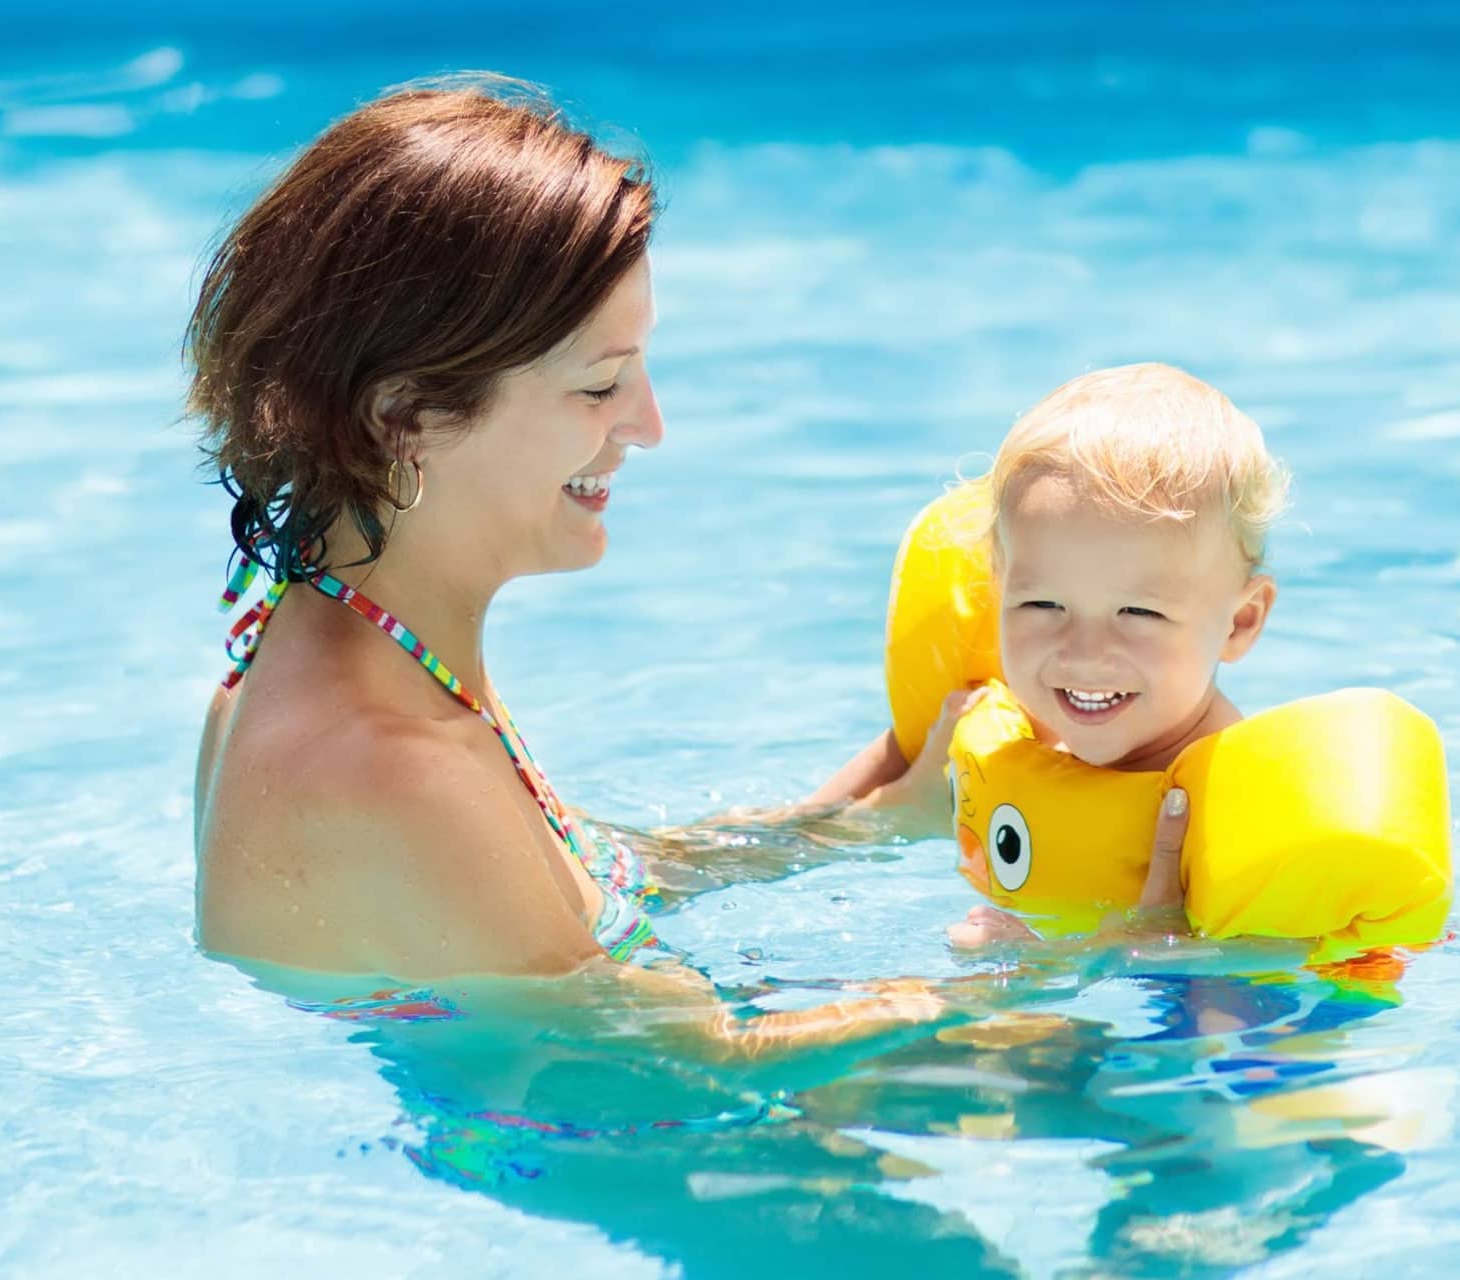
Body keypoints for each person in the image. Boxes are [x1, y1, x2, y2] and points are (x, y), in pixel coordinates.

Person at [187, 76, 961, 1051]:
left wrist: (871, 813)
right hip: (567, 1141)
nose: (648, 426)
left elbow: (586, 873)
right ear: (403, 417)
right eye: (599, 386)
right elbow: (680, 1063)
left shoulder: (348, 644)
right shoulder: (395, 763)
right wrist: (1074, 963)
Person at [812, 362, 1288, 947]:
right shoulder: (983, 733)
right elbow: (765, 845)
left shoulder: (1242, 808)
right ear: (998, 586)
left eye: (1139, 613)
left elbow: (1301, 989)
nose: (1084, 653)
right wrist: (901, 810)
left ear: (1241, 621)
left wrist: (1092, 963)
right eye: (1042, 604)